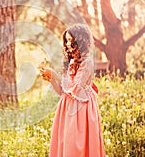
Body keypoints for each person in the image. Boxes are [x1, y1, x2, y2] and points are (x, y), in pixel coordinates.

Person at [40, 24, 106, 157]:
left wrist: (54, 74)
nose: (69, 44)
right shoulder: (72, 62)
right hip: (67, 106)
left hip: (81, 109)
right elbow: (63, 92)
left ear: (81, 41)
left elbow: (75, 87)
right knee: (66, 143)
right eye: (67, 40)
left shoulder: (87, 62)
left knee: (77, 143)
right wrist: (52, 79)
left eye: (71, 40)